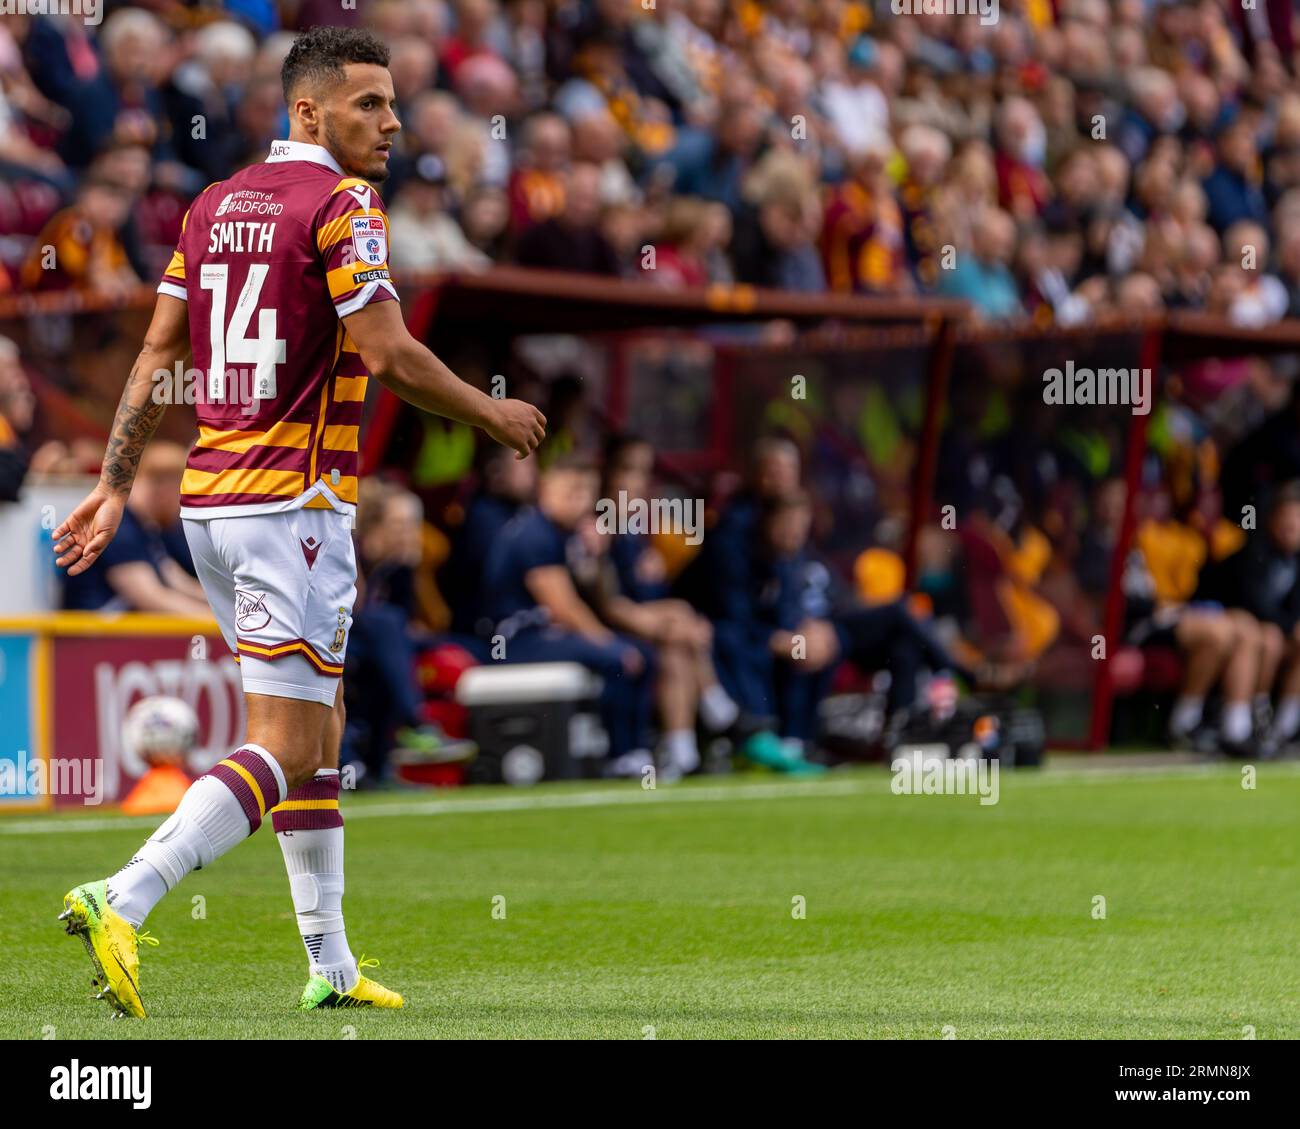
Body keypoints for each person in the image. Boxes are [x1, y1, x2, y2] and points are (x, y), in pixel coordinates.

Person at [51, 27, 545, 1020]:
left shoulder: (211, 203)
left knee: (316, 741)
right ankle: (126, 892)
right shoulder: (342, 204)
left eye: (395, 103)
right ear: (307, 111)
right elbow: (388, 351)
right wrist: (489, 412)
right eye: (371, 103)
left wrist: (112, 483)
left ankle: (330, 961)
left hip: (211, 501)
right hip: (293, 510)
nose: (394, 122)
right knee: (281, 744)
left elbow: (154, 355)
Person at [484, 456, 654, 775]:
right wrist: (608, 644)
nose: (580, 501)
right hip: (516, 639)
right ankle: (619, 753)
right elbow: (563, 608)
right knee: (620, 658)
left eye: (586, 493)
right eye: (571, 491)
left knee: (642, 653)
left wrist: (597, 558)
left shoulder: (569, 536)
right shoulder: (534, 533)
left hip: (549, 634)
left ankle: (637, 748)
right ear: (546, 489)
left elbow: (602, 599)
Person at [62, 441, 209, 615]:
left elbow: (176, 580)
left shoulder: (146, 526)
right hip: (88, 636)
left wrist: (226, 606)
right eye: (185, 495)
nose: (183, 506)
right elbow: (151, 599)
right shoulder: (119, 526)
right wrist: (219, 624)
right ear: (166, 490)